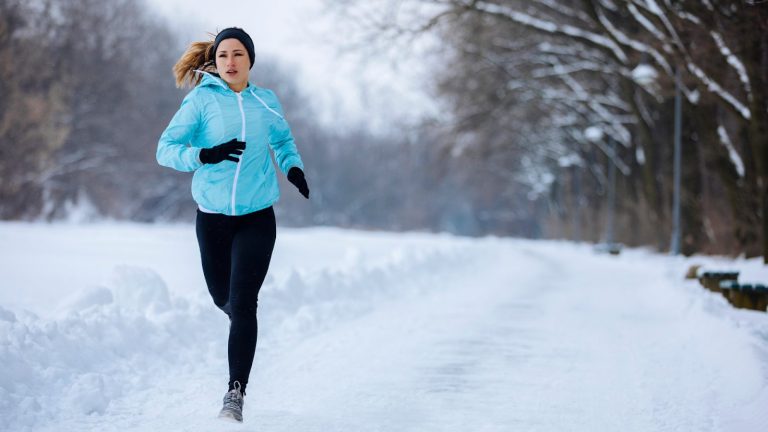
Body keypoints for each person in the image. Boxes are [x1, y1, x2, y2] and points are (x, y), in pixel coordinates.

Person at [156, 27, 310, 423]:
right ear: (216, 60)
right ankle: (239, 319)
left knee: (244, 303)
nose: (230, 61)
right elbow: (165, 150)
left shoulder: (266, 101)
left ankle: (235, 392)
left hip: (258, 217)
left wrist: (293, 169)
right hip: (213, 219)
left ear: (250, 60)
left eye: (238, 54)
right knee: (222, 297)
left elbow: (283, 142)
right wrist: (204, 154)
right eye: (223, 55)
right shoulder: (201, 101)